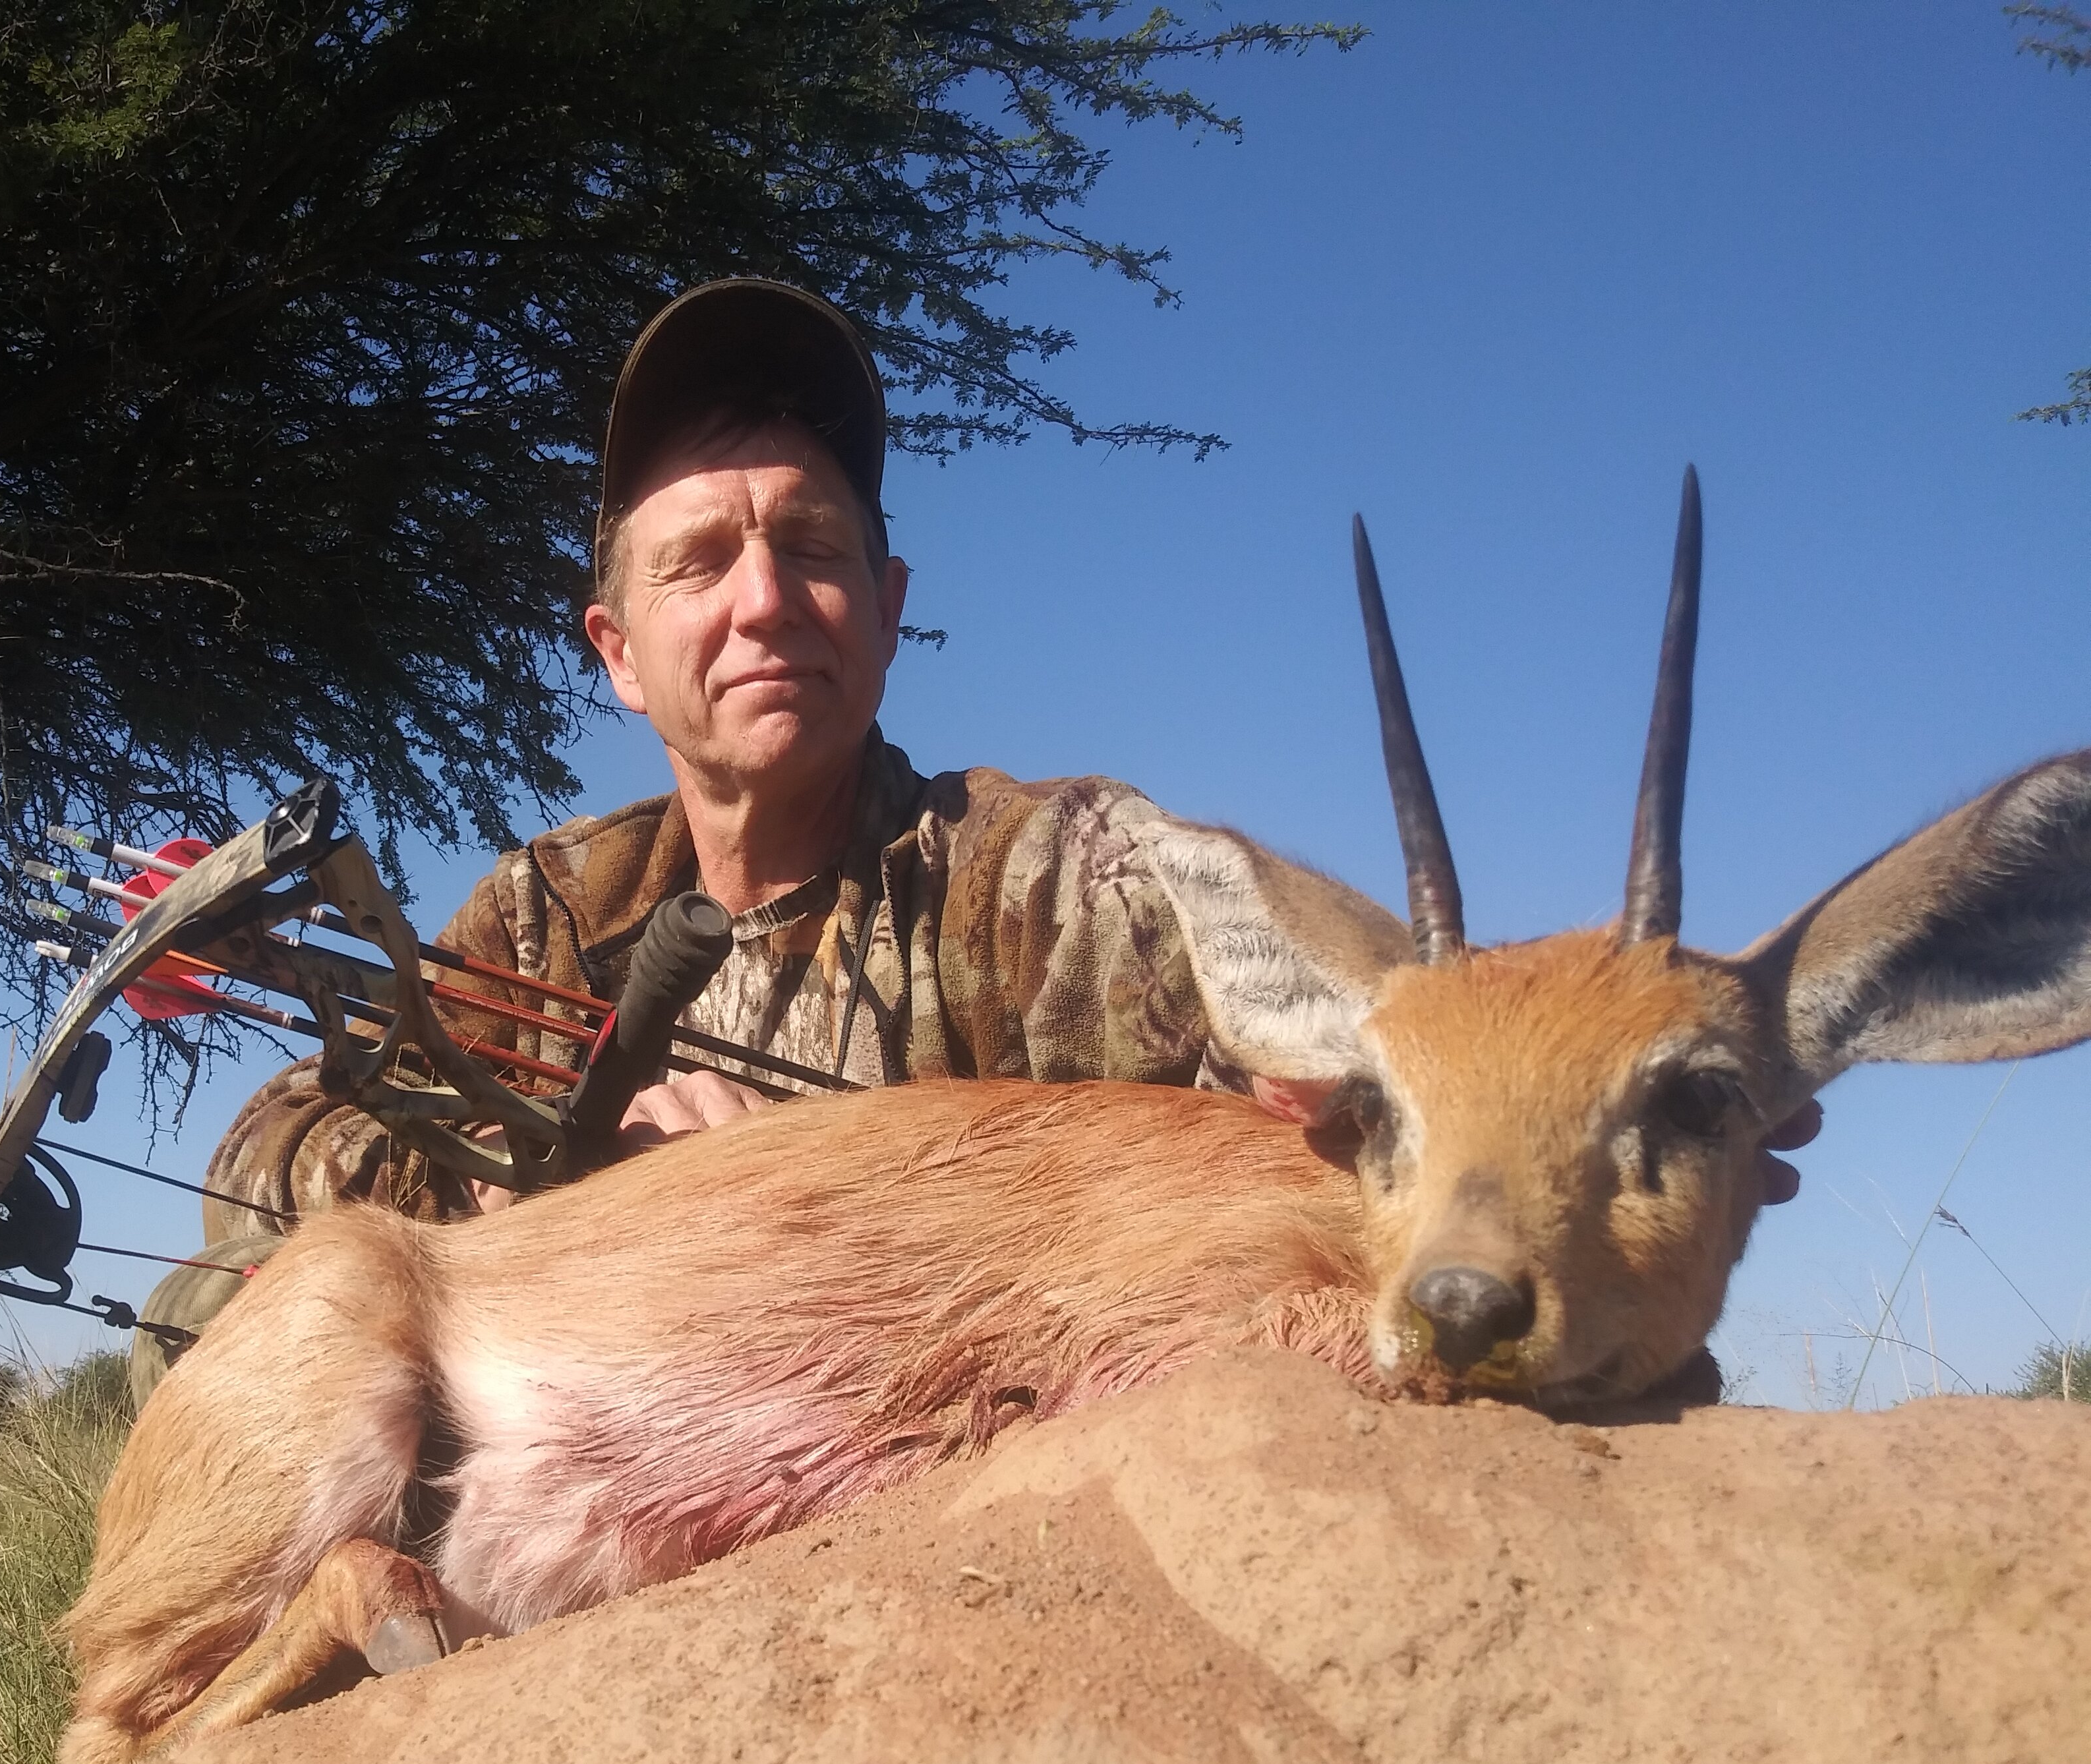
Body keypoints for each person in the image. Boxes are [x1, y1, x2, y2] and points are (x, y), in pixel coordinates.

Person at [193, 278, 1821, 1240]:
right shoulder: (550, 912)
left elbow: (1366, 1046)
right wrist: (533, 1183)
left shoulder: (1059, 876)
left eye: (812, 544)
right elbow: (255, 1168)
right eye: (697, 561)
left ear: (888, 608)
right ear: (614, 652)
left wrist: (1601, 1093)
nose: (765, 599)